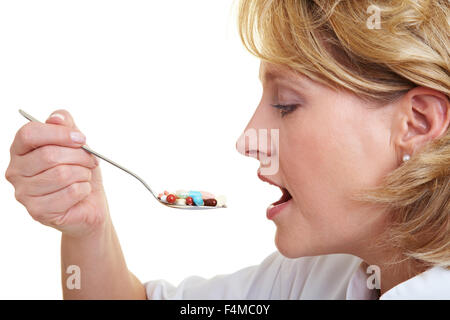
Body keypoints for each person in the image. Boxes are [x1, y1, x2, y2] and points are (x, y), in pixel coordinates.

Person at [5, 0, 449, 299]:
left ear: (418, 123)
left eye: (286, 105)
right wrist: (87, 227)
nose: (248, 139)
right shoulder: (319, 278)